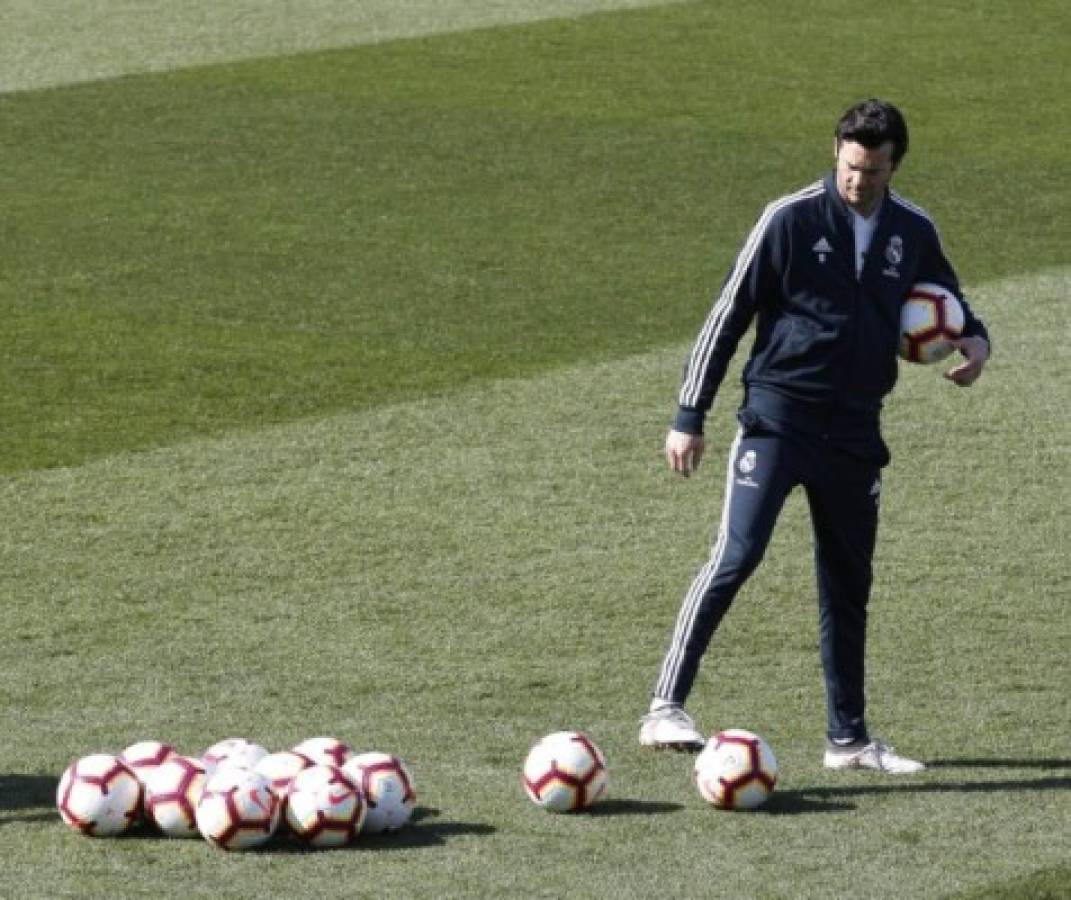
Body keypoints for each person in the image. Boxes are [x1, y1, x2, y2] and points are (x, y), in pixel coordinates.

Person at [639, 99, 990, 773]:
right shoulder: (789, 217)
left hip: (855, 430)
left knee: (846, 581)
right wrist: (690, 416)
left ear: (894, 165)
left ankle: (848, 740)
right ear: (836, 150)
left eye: (873, 169)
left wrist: (975, 345)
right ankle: (664, 708)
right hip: (777, 419)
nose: (857, 180)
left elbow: (952, 305)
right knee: (736, 555)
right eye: (849, 165)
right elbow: (727, 313)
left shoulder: (910, 229)